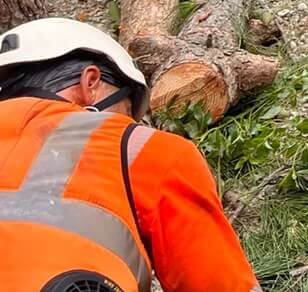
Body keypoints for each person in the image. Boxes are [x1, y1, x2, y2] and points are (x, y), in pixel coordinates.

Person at [0, 17, 260, 292]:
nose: (129, 125)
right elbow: (220, 285)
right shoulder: (141, 147)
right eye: (126, 112)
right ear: (91, 83)